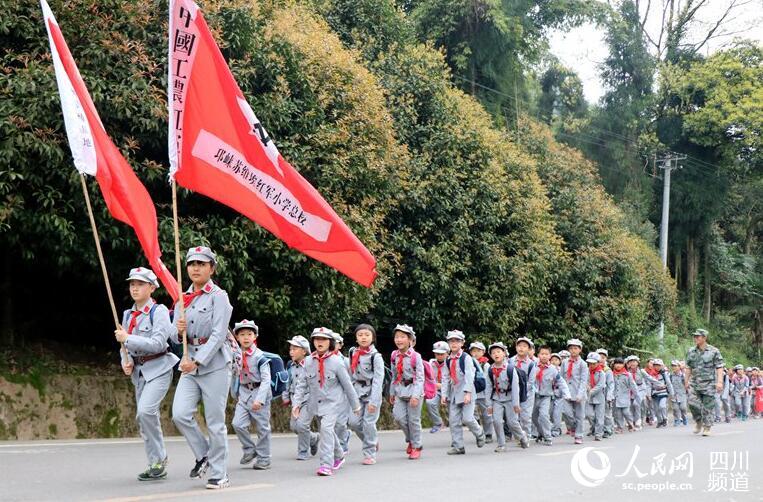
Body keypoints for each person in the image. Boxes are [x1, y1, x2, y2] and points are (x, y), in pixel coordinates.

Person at [170, 246, 234, 490]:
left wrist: (197, 361)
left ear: (212, 268)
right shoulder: (182, 297)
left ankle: (219, 473)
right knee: (180, 413)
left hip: (214, 364)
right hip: (189, 362)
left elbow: (219, 334)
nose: (195, 268)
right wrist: (178, 330)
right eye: (191, 263)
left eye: (201, 263)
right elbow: (174, 337)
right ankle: (204, 454)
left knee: (215, 421)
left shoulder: (219, 296)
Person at [115, 267, 178, 481]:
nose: (135, 288)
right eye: (132, 284)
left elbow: (159, 343)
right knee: (144, 418)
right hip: (140, 373)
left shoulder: (158, 311)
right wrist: (125, 360)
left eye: (140, 284)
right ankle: (155, 463)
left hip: (159, 368)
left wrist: (127, 339)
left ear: (151, 288)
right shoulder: (127, 314)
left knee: (145, 411)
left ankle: (160, 458)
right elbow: (123, 347)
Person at [292, 327, 361, 476]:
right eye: (317, 339)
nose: (320, 342)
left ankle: (326, 465)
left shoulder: (337, 362)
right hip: (315, 404)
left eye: (323, 339)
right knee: (327, 430)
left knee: (326, 429)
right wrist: (296, 404)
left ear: (330, 342)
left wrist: (355, 405)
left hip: (333, 403)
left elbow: (347, 385)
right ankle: (339, 455)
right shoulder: (309, 361)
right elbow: (302, 384)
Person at [231, 320, 273, 470]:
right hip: (243, 393)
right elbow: (234, 374)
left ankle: (264, 458)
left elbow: (266, 379)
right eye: (242, 334)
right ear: (237, 337)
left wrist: (260, 400)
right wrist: (234, 393)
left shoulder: (260, 357)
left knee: (262, 427)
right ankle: (249, 450)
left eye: (249, 334)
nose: (246, 337)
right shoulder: (236, 355)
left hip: (259, 392)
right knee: (237, 423)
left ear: (255, 336)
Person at [442, 330, 486, 454]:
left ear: (462, 343)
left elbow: (469, 376)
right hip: (454, 394)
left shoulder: (466, 358)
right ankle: (458, 446)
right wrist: (444, 394)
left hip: (468, 392)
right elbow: (445, 378)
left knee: (467, 418)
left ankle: (479, 433)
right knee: (454, 420)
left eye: (457, 341)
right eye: (451, 341)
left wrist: (467, 393)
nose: (454, 343)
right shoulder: (448, 360)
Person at [347, 324, 385, 465]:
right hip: (357, 392)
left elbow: (378, 380)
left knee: (369, 423)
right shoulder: (352, 352)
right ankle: (372, 441)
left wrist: (373, 402)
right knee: (354, 422)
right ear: (356, 338)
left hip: (371, 393)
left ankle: (370, 453)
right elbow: (351, 374)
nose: (363, 337)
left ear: (373, 338)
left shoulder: (376, 357)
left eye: (367, 335)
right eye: (360, 335)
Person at [389, 324, 425, 459]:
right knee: (399, 417)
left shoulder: (416, 356)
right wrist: (392, 392)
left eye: (402, 337)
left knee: (413, 420)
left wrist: (416, 396)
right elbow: (393, 375)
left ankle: (416, 446)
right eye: (397, 337)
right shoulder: (394, 355)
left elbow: (420, 378)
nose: (399, 340)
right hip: (399, 389)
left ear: (410, 340)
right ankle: (411, 439)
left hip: (414, 390)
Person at [282, 335, 318, 460]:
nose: (291, 351)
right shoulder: (290, 365)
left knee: (302, 425)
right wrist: (285, 396)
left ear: (304, 351)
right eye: (290, 349)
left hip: (308, 399)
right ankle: (313, 439)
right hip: (295, 399)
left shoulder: (312, 364)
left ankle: (303, 452)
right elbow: (287, 381)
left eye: (295, 349)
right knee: (294, 427)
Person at [684, 328, 725, 436]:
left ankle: (707, 427)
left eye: (698, 336)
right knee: (692, 403)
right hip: (694, 382)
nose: (695, 338)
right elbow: (688, 367)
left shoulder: (714, 351)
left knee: (708, 406)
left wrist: (720, 382)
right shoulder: (691, 351)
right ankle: (698, 421)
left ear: (704, 338)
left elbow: (719, 367)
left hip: (709, 383)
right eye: (694, 336)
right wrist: (686, 381)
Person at [533, 346, 569, 446]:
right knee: (534, 418)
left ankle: (548, 436)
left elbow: (560, 381)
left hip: (546, 396)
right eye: (542, 354)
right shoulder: (533, 366)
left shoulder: (553, 369)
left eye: (546, 354)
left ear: (549, 356)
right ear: (538, 355)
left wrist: (566, 393)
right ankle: (541, 433)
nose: (544, 356)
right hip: (534, 396)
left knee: (544, 416)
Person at [561, 339, 587, 444]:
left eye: (575, 348)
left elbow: (583, 380)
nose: (573, 351)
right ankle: (573, 427)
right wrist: (562, 390)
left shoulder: (583, 364)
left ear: (580, 350)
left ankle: (579, 435)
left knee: (579, 415)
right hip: (567, 392)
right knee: (566, 412)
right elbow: (561, 377)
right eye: (571, 348)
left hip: (579, 392)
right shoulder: (564, 362)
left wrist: (580, 394)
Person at [469, 341, 493, 443]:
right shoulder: (468, 362)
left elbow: (488, 380)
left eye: (478, 351)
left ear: (483, 352)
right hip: (472, 392)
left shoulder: (486, 365)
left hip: (484, 394)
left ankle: (488, 434)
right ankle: (478, 433)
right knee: (472, 414)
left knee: (486, 415)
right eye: (473, 351)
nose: (475, 353)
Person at [643, 359, 674, 428]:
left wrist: (672, 393)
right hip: (654, 394)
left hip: (663, 393)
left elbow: (669, 383)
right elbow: (648, 385)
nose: (657, 367)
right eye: (656, 365)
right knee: (656, 409)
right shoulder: (650, 375)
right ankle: (660, 421)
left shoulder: (664, 374)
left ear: (662, 366)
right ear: (653, 366)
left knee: (662, 406)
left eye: (659, 365)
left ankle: (665, 418)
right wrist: (648, 394)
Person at [427, 341, 449, 433]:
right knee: (429, 402)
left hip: (449, 390)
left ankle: (457, 424)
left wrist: (443, 386)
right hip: (436, 390)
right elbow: (428, 377)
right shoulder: (431, 363)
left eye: (441, 354)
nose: (439, 356)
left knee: (454, 408)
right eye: (437, 353)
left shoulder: (450, 363)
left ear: (447, 353)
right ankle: (438, 423)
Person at [611, 357, 637, 433]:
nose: (618, 365)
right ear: (614, 365)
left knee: (626, 412)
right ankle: (620, 427)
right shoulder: (612, 374)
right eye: (616, 363)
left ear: (623, 365)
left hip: (625, 396)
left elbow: (633, 385)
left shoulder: (627, 375)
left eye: (620, 363)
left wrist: (636, 395)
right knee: (618, 414)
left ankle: (630, 423)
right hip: (615, 397)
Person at [585, 352, 606, 441]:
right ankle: (593, 428)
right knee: (589, 415)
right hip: (589, 397)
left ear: (598, 363)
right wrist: (587, 387)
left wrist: (591, 391)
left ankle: (598, 433)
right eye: (590, 363)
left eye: (594, 363)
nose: (592, 365)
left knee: (599, 416)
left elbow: (600, 385)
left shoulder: (601, 373)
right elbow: (585, 381)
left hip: (599, 396)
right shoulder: (586, 371)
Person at [669, 361, 688, 426]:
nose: (674, 367)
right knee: (675, 408)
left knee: (683, 408)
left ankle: (684, 418)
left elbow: (687, 383)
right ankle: (677, 420)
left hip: (682, 394)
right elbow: (668, 384)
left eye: (675, 366)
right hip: (674, 394)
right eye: (673, 366)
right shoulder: (670, 375)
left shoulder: (683, 375)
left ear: (679, 367)